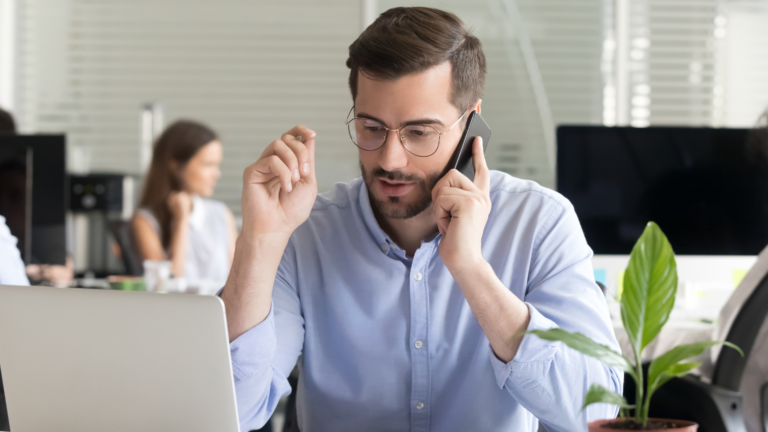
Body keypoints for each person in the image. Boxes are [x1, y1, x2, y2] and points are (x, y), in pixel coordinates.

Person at [221, 7, 622, 432]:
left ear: (471, 123)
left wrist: (471, 270)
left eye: (420, 132)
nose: (391, 159)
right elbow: (235, 412)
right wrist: (260, 240)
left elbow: (594, 412)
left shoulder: (539, 222)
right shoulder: (304, 233)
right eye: (371, 127)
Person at [133, 120, 237, 293]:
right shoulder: (144, 220)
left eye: (217, 165)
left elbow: (236, 278)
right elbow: (165, 286)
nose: (216, 174)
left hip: (221, 313)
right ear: (176, 166)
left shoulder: (221, 213)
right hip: (175, 315)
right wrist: (181, 222)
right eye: (208, 165)